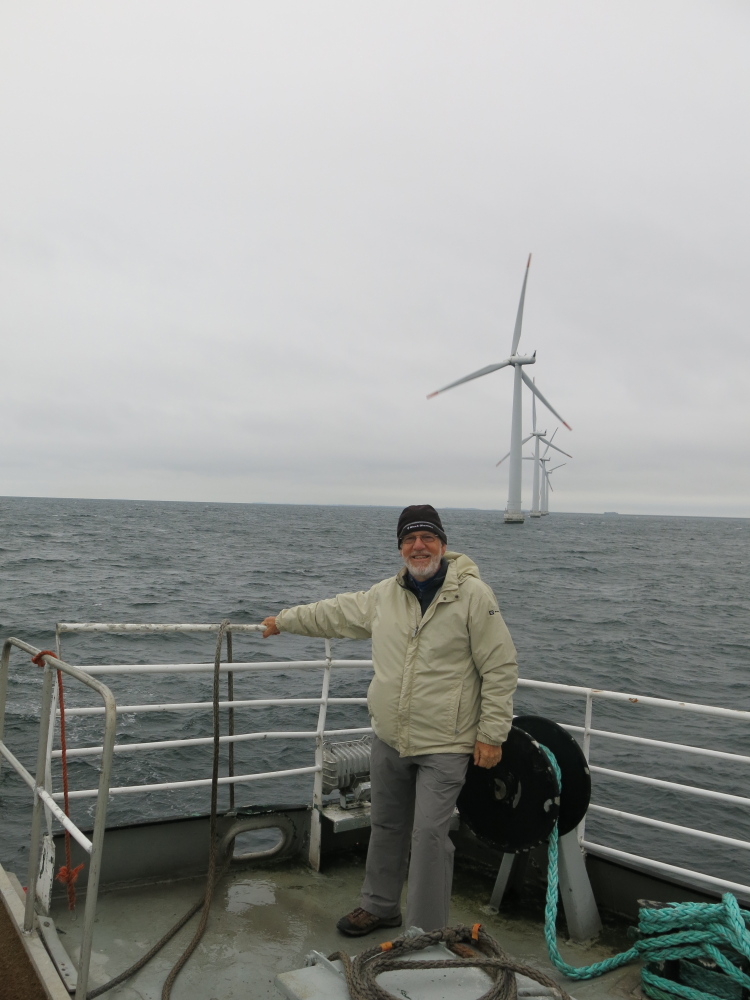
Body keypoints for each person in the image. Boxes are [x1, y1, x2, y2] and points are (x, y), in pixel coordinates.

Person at [261, 504, 517, 935]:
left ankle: (424, 934)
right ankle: (380, 907)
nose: (419, 547)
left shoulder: (474, 596)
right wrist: (282, 621)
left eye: (427, 538)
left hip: (446, 742)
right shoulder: (385, 595)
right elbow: (335, 613)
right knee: (386, 825)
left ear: (443, 544)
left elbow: (500, 666)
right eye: (409, 539)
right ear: (400, 548)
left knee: (430, 838)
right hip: (390, 736)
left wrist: (492, 734)